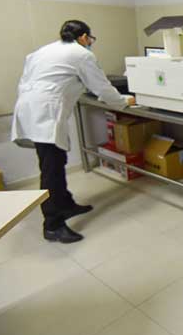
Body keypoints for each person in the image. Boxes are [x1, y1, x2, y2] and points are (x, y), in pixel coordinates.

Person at [12, 20, 133, 243]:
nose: (90, 44)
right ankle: (52, 225)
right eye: (90, 40)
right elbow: (101, 87)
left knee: (55, 160)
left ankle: (66, 205)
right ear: (84, 37)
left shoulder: (42, 51)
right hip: (45, 113)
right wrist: (124, 101)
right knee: (51, 170)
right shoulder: (82, 54)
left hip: (30, 108)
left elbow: (28, 81)